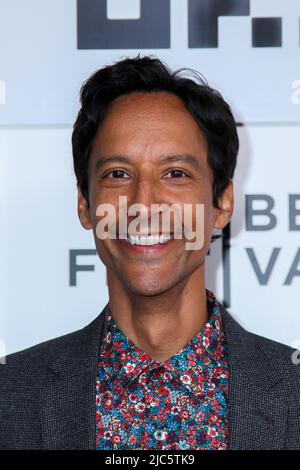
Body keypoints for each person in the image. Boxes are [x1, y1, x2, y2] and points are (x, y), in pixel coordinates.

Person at [0, 56, 299, 450]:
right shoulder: (11, 397)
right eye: (117, 174)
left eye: (175, 173)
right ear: (85, 205)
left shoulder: (291, 393)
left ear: (222, 204)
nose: (143, 204)